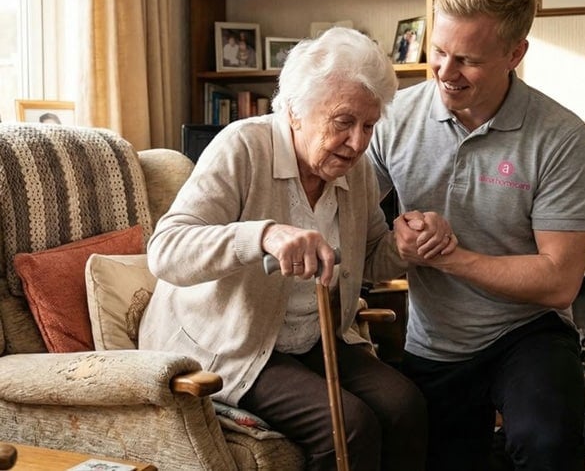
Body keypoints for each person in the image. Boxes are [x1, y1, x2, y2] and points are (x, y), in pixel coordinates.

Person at [139, 27, 454, 471]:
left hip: (314, 336)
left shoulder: (356, 170)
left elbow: (367, 261)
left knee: (405, 406)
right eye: (343, 121)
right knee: (350, 425)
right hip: (232, 342)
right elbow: (166, 250)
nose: (359, 142)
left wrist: (407, 244)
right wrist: (263, 235)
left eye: (369, 125)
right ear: (294, 111)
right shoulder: (243, 147)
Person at [367, 0, 585, 471]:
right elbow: (359, 239)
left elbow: (559, 282)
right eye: (439, 52)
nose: (445, 73)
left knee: (548, 443)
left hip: (529, 331)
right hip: (435, 338)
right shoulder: (391, 122)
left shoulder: (560, 136)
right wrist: (398, 245)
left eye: (467, 60)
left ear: (516, 53)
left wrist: (449, 257)